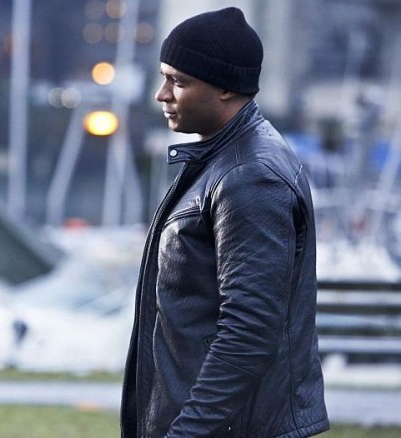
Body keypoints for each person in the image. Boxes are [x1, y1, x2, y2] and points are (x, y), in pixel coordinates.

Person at [120, 7, 329, 437]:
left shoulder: (249, 176)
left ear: (225, 88)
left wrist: (187, 432)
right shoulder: (223, 160)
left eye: (178, 81)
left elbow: (248, 334)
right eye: (163, 78)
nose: (162, 94)